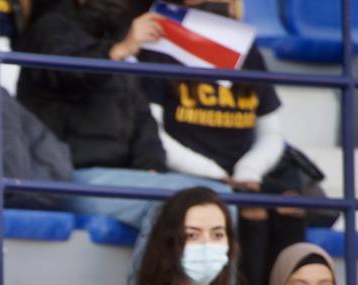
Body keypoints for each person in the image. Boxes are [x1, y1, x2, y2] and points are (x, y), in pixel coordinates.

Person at [141, 0, 306, 285]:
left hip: (246, 172)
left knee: (290, 203)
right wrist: (216, 175)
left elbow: (272, 131)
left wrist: (248, 170)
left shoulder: (245, 49)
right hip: (193, 173)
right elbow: (154, 132)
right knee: (247, 207)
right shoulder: (162, 46)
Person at [15, 0, 227, 242]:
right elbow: (68, 73)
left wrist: (152, 166)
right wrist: (118, 50)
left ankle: (200, 282)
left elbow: (142, 117)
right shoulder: (49, 27)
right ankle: (157, 282)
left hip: (122, 177)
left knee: (221, 197)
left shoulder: (118, 38)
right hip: (68, 175)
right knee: (190, 204)